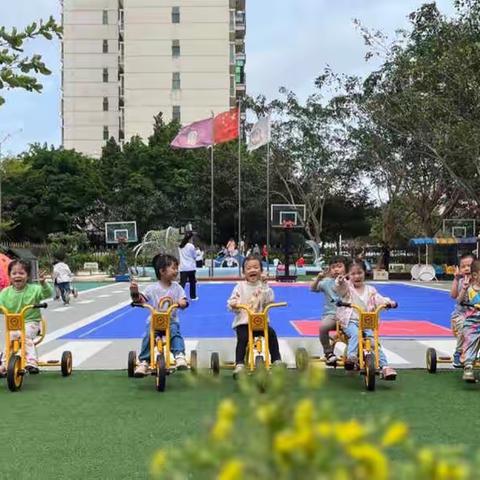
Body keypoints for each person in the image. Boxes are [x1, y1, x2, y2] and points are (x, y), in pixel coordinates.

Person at [334, 259, 398, 380]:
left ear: (365, 273)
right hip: (350, 321)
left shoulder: (370, 290)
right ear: (348, 275)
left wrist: (388, 303)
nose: (357, 276)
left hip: (367, 322)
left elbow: (379, 299)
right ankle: (351, 357)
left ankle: (385, 367)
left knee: (373, 343)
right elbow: (339, 289)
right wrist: (340, 281)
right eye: (353, 274)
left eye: (359, 273)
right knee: (355, 335)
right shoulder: (347, 288)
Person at [130, 254, 189, 376]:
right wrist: (135, 293)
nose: (176, 271)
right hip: (155, 321)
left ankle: (179, 355)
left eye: (177, 268)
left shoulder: (177, 288)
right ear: (162, 271)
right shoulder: (152, 288)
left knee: (175, 333)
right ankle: (145, 361)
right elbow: (141, 300)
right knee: (149, 336)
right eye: (173, 268)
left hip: (170, 321)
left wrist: (181, 303)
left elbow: (184, 300)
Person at [227, 254, 282, 377]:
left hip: (260, 322)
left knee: (271, 334)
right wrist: (234, 304)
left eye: (256, 267)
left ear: (261, 271)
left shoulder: (263, 287)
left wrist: (266, 285)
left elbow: (270, 300)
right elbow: (231, 301)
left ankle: (276, 359)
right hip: (244, 322)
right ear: (243, 272)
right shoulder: (239, 287)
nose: (253, 270)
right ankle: (239, 363)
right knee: (243, 338)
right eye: (249, 268)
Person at [0, 260, 52, 375]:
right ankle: (4, 364)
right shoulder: (5, 293)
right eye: (14, 273)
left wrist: (44, 284)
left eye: (21, 273)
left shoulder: (34, 289)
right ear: (9, 276)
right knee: (9, 338)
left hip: (31, 322)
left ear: (27, 276)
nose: (17, 276)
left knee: (25, 336)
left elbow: (48, 294)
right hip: (14, 323)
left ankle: (31, 362)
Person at [310, 256, 348, 365]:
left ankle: (354, 353)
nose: (336, 269)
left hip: (348, 315)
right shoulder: (327, 282)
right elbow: (312, 288)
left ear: (346, 269)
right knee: (323, 327)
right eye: (333, 267)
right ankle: (328, 352)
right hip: (332, 315)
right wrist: (318, 278)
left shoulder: (350, 282)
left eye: (339, 267)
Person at [450, 253, 474, 367]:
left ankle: (471, 352)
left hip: (476, 315)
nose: (467, 268)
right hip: (460, 316)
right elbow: (454, 296)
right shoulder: (460, 281)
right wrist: (456, 279)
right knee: (465, 325)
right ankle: (458, 352)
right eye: (463, 266)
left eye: (469, 265)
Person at [179, 231, 198, 301]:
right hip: (191, 267)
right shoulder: (191, 246)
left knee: (182, 283)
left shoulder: (180, 246)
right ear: (190, 238)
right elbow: (194, 256)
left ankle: (179, 296)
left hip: (183, 267)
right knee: (192, 282)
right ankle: (193, 296)